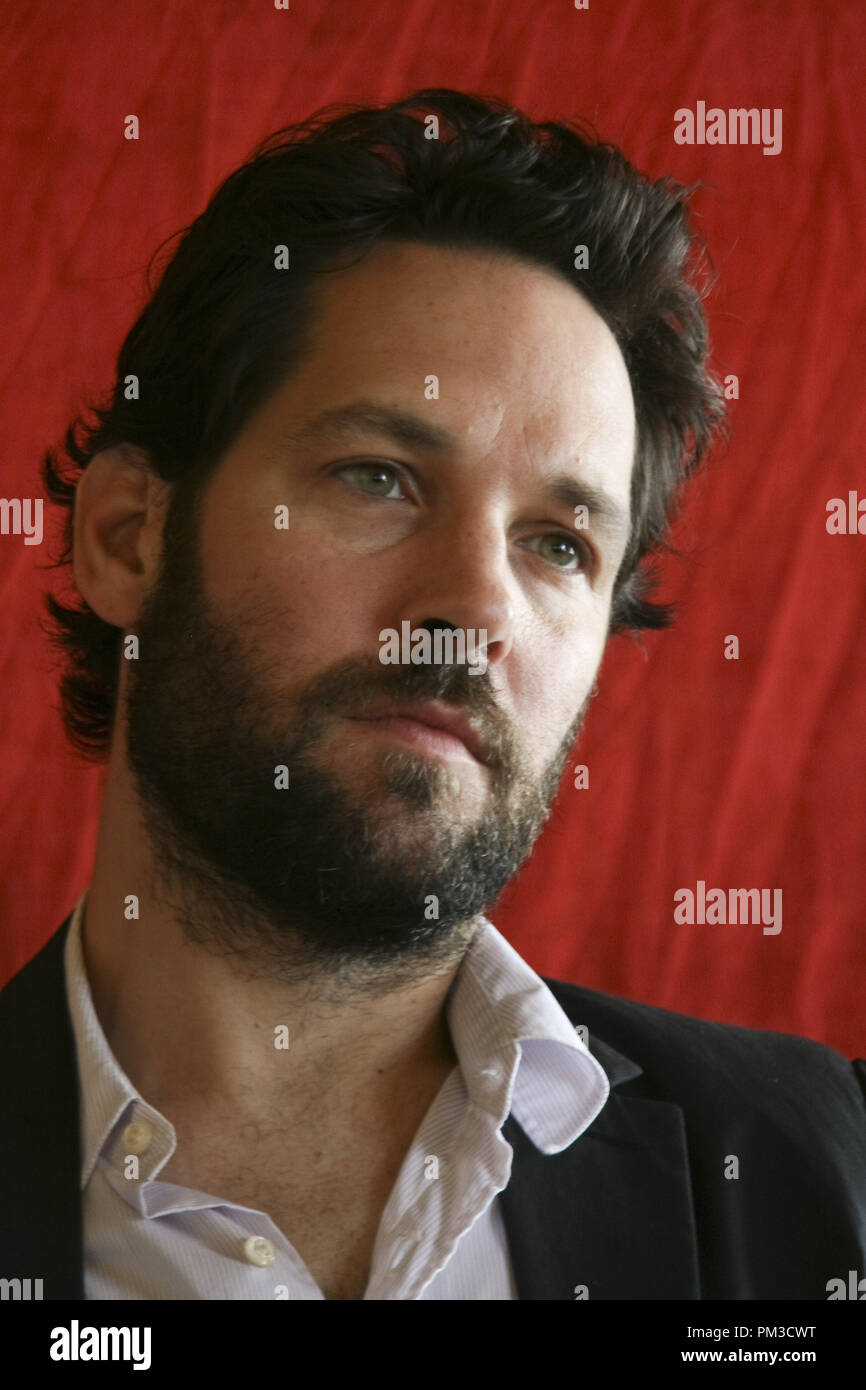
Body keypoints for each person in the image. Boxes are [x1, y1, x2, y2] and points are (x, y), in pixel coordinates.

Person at [1, 88, 863, 1302]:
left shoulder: (814, 1170)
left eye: (559, 542)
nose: (474, 609)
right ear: (130, 538)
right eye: (379, 477)